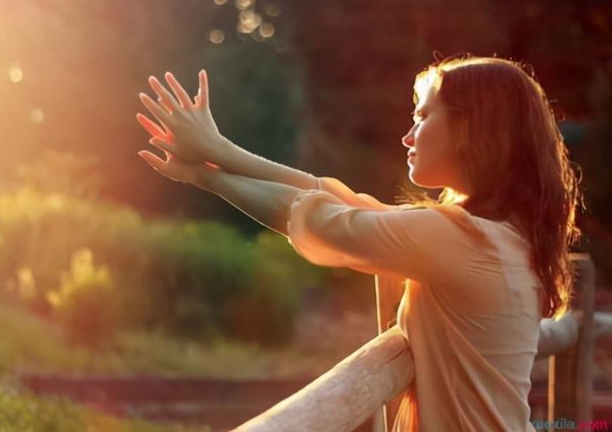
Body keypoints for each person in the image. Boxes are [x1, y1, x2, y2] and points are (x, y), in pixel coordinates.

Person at [136, 55, 584, 431]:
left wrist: (207, 172)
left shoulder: (461, 240)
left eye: (423, 116)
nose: (408, 135)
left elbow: (323, 218)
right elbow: (345, 202)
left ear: (473, 130)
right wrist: (216, 154)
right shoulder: (502, 236)